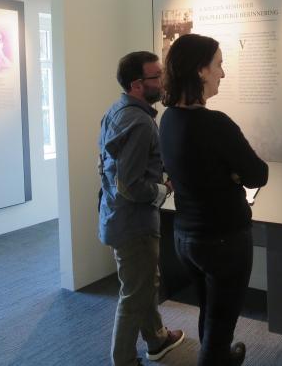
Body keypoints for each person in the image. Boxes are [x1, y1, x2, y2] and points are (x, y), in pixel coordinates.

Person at [159, 34, 268, 366]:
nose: (223, 73)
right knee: (221, 326)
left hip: (186, 237)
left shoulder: (168, 120)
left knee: (210, 310)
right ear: (200, 71)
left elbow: (187, 172)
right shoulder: (215, 124)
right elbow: (257, 175)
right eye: (218, 65)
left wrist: (229, 173)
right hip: (223, 240)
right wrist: (232, 175)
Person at [98, 51, 184, 366]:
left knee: (145, 280)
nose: (163, 82)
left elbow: (111, 170)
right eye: (156, 76)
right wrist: (164, 189)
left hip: (118, 216)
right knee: (134, 293)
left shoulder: (118, 109)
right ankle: (122, 360)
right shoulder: (140, 123)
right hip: (132, 222)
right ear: (137, 84)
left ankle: (156, 338)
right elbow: (130, 184)